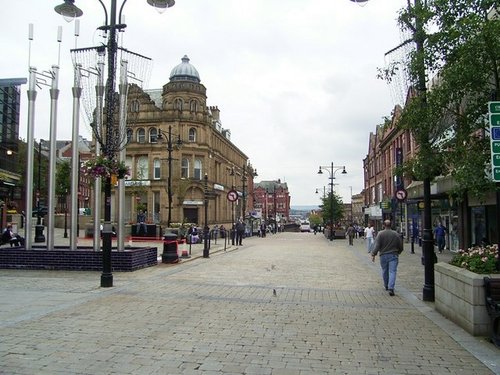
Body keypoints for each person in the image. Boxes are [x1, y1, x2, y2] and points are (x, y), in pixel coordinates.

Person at [371, 220, 403, 296]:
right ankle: (391, 288)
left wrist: (373, 253)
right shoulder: (396, 234)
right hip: (393, 254)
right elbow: (400, 245)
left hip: (383, 255)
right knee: (392, 271)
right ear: (391, 225)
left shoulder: (380, 234)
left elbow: (377, 245)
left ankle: (386, 285)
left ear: (384, 225)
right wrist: (399, 252)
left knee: (385, 270)